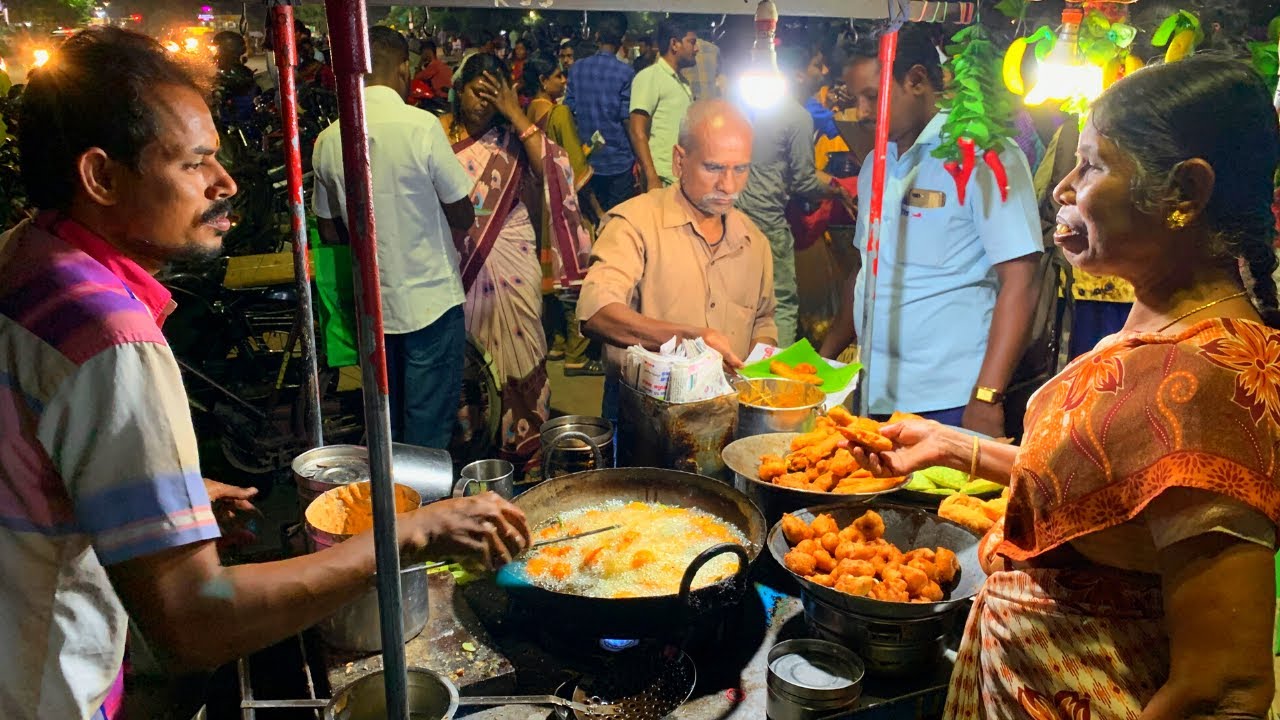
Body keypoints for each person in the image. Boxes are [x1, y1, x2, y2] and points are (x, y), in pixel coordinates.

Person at [0, 27, 530, 719]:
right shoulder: (109, 338)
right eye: (195, 163)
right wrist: (409, 534)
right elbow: (193, 624)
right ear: (100, 177)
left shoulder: (22, 257)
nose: (225, 183)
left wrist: (171, 498)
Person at [852, 55, 1280, 720]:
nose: (1063, 188)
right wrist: (952, 446)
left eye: (1093, 165)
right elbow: (1114, 490)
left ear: (1185, 192)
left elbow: (1225, 687)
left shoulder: (1215, 384)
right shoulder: (1159, 325)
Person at [822, 28, 1042, 437]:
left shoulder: (982, 157)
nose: (863, 112)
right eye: (856, 99)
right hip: (874, 393)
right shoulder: (875, 165)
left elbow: (1022, 279)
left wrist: (987, 396)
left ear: (917, 80)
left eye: (873, 96)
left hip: (951, 400)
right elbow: (866, 268)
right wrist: (825, 362)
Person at [312, 27, 475, 449]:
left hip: (373, 306)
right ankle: (422, 489)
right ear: (404, 68)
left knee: (387, 417)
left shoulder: (328, 139)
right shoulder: (422, 126)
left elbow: (328, 228)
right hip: (432, 301)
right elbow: (463, 211)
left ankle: (393, 489)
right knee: (428, 425)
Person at [579, 100, 778, 423]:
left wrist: (756, 369)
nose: (728, 186)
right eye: (713, 168)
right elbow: (596, 313)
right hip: (644, 418)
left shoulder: (753, 242)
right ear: (679, 161)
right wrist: (688, 339)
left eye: (740, 169)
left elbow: (763, 320)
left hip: (727, 416)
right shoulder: (635, 224)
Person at [443, 52, 591, 475]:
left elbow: (556, 169)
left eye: (495, 94)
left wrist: (515, 113)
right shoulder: (437, 132)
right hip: (460, 262)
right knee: (470, 355)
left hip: (513, 256)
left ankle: (525, 452)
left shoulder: (513, 137)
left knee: (523, 344)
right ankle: (473, 452)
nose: (484, 103)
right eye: (478, 92)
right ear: (459, 90)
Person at [735, 43, 854, 347]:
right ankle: (776, 370)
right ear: (799, 75)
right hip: (767, 220)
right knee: (782, 303)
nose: (823, 71)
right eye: (817, 64)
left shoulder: (748, 106)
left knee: (740, 297)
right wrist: (838, 191)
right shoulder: (796, 115)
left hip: (734, 216)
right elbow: (803, 181)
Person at [523, 51, 604, 377]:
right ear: (544, 81)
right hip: (562, 206)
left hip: (536, 204)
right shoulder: (559, 113)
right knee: (573, 274)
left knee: (550, 278)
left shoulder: (527, 113)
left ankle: (556, 342)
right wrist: (596, 209)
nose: (564, 80)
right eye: (558, 76)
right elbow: (575, 168)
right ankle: (577, 353)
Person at [566, 11, 637, 213]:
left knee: (590, 220)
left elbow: (569, 110)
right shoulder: (626, 73)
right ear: (622, 39)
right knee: (617, 220)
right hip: (618, 162)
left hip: (586, 160)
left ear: (597, 36)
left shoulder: (577, 69)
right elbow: (626, 119)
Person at [629, 19, 697, 192]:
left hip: (680, 176)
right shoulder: (650, 77)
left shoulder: (681, 81)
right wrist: (652, 177)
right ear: (674, 44)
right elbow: (637, 131)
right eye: (691, 42)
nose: (696, 48)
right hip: (662, 178)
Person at [210, 30, 258, 131]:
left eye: (216, 48)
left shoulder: (236, 73)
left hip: (236, 125)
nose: (213, 51)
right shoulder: (230, 70)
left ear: (226, 49)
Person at [680, 33, 721, 101]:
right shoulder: (714, 49)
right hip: (709, 103)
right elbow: (720, 80)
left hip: (688, 103)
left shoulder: (678, 48)